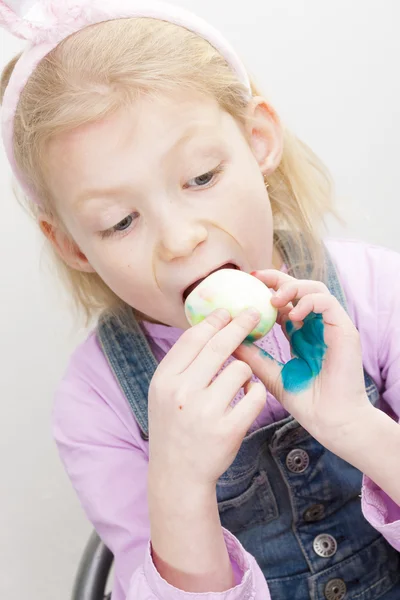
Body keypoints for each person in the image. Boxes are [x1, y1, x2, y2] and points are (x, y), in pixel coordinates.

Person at [1, 1, 399, 598]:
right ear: (73, 245)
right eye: (120, 220)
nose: (180, 239)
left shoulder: (374, 293)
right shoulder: (96, 404)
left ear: (258, 140)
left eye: (201, 178)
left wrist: (355, 426)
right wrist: (180, 486)